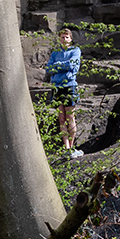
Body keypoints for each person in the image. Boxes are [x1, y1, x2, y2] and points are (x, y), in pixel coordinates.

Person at [44, 27, 82, 157]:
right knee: (61, 118)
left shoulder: (76, 50)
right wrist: (62, 65)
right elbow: (49, 67)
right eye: (62, 37)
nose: (64, 39)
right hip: (57, 87)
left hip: (69, 86)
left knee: (70, 116)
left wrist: (58, 65)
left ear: (70, 39)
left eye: (66, 37)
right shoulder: (55, 53)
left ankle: (72, 148)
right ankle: (66, 148)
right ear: (59, 39)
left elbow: (72, 65)